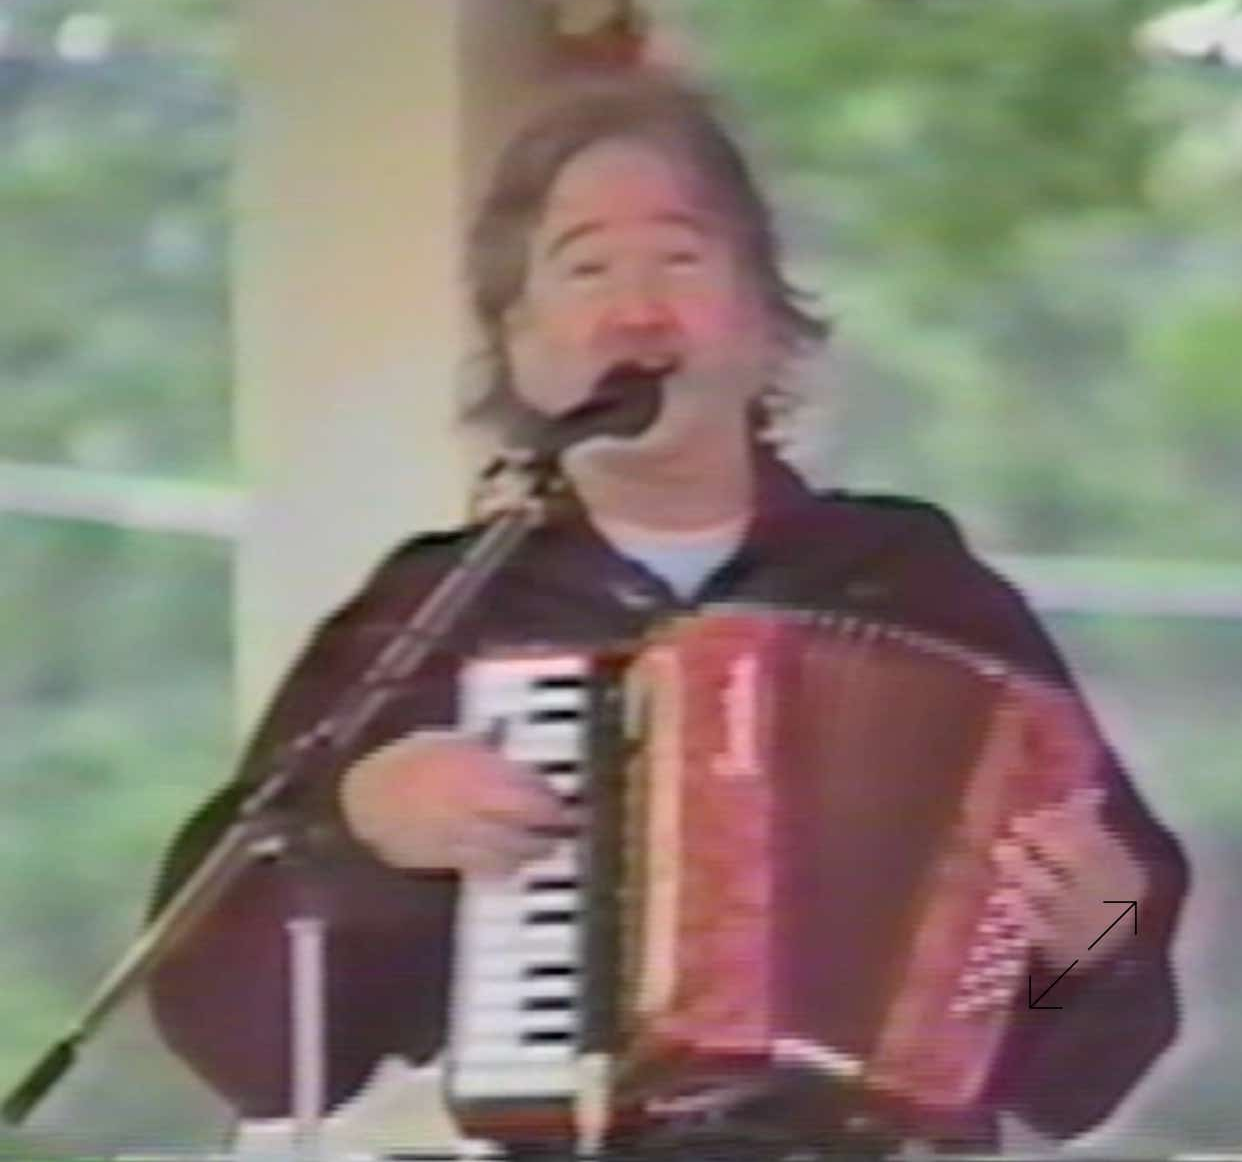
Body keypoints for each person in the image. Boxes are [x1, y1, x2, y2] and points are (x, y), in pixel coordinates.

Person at [147, 78, 1189, 1155]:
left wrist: (1096, 937)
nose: (636, 308)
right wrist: (362, 829)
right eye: (585, 266)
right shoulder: (440, 613)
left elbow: (1080, 1059)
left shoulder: (913, 585)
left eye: (682, 260)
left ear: (765, 321)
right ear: (522, 343)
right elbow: (250, 1051)